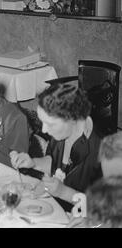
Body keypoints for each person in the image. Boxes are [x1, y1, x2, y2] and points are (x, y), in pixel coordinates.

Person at [10, 83, 103, 211]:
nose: (44, 130)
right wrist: (33, 163)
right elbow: (55, 163)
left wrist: (64, 192)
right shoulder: (62, 134)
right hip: (56, 209)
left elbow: (107, 211)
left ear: (72, 119)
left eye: (50, 124)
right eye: (43, 122)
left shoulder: (103, 152)